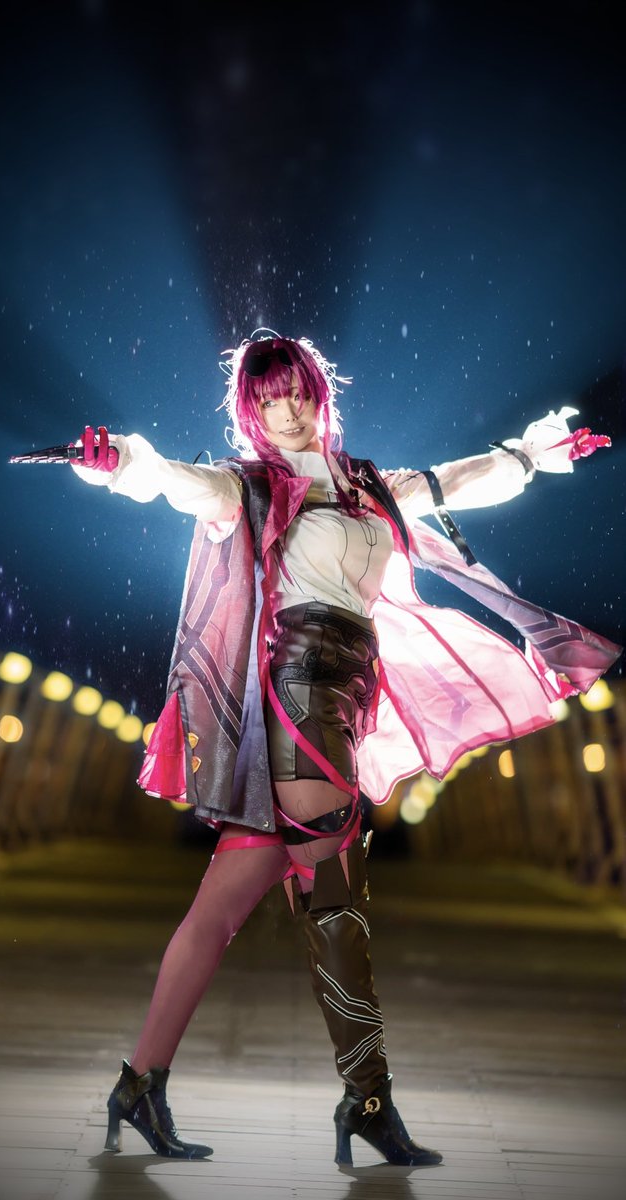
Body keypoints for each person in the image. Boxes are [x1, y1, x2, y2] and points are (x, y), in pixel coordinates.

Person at [71, 333, 619, 1168]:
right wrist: (121, 463)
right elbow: (178, 483)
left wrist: (534, 456)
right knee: (334, 896)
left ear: (319, 394)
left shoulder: (369, 485)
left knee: (221, 909)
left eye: (296, 392)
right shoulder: (251, 488)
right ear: (249, 414)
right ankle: (367, 1102)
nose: (286, 411)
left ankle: (140, 1085)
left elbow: (462, 479)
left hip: (346, 697)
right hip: (300, 696)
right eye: (267, 401)